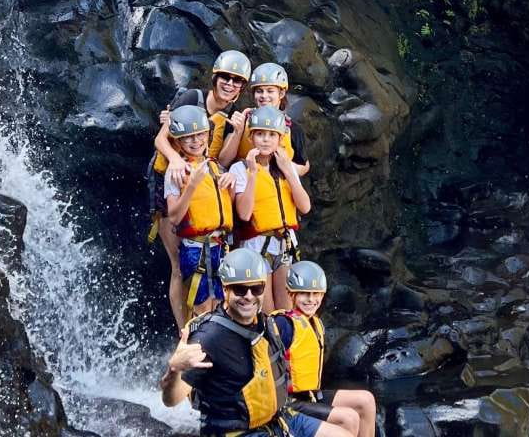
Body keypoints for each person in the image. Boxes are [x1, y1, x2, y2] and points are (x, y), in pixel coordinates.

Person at [160, 249, 353, 437]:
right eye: (240, 289)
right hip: (238, 431)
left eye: (256, 288)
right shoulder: (208, 337)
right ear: (225, 289)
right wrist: (174, 370)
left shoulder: (266, 324)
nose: (249, 296)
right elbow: (171, 399)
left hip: (278, 419)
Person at [147, 50, 250, 243]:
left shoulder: (232, 115)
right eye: (225, 77)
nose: (229, 84)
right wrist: (175, 160)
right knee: (175, 251)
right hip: (171, 172)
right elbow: (161, 139)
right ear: (215, 78)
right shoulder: (192, 98)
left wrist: (237, 132)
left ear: (241, 87)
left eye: (237, 80)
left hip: (201, 176)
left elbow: (222, 161)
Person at [272, 261, 378, 437]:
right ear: (291, 293)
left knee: (366, 400)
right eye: (304, 294)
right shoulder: (283, 324)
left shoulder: (315, 322)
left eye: (316, 294)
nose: (311, 300)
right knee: (348, 418)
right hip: (288, 401)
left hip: (310, 395)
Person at [159, 105, 236, 327]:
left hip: (219, 246)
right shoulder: (176, 171)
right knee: (201, 308)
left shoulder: (215, 168)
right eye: (188, 137)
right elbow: (175, 217)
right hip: (195, 248)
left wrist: (230, 186)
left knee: (221, 306)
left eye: (200, 134)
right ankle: (196, 344)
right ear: (178, 142)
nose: (196, 141)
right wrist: (191, 186)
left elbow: (225, 208)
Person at [230, 107, 311, 312]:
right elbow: (244, 214)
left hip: (283, 245)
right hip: (256, 246)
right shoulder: (240, 169)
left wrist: (289, 172)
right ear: (251, 137)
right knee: (266, 312)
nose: (266, 140)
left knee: (286, 311)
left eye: (271, 135)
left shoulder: (286, 166)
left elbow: (305, 207)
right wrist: (252, 174)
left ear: (280, 138)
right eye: (260, 134)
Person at [221, 62, 310, 177]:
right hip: (244, 182)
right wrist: (237, 132)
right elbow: (223, 162)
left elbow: (304, 165)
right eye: (259, 91)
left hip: (275, 184)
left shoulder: (293, 129)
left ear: (281, 93)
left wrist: (284, 168)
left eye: (270, 91)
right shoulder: (241, 120)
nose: (264, 96)